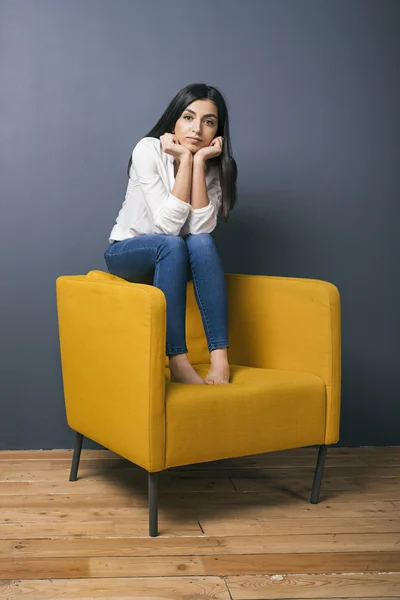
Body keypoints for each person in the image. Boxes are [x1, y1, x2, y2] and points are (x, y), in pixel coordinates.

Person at [103, 83, 238, 385]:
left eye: (209, 121)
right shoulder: (147, 149)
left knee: (200, 243)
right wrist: (185, 160)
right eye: (189, 117)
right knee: (171, 244)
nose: (197, 129)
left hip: (176, 258)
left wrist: (198, 162)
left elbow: (201, 231)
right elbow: (167, 227)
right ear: (174, 119)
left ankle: (220, 359)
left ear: (217, 131)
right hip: (128, 252)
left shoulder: (215, 167)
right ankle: (177, 359)